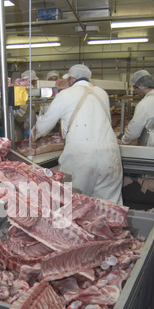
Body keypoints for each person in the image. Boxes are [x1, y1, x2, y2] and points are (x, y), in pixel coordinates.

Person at [30, 64, 123, 205]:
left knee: (70, 204)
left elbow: (44, 125)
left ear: (71, 79)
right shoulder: (102, 93)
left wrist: (31, 137)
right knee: (109, 207)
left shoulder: (65, 95)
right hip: (110, 155)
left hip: (81, 156)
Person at [120, 70, 154, 148]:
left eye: (135, 88)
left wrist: (123, 141)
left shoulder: (144, 104)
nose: (136, 92)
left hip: (153, 148)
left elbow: (133, 132)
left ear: (141, 85)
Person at [14, 70, 40, 141]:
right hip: (17, 125)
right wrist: (23, 123)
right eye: (33, 81)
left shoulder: (30, 92)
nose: (34, 83)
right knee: (18, 143)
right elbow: (17, 113)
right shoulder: (19, 91)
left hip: (26, 124)